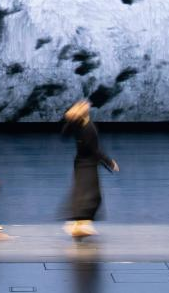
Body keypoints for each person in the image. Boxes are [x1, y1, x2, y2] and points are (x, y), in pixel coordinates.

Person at [61, 100, 118, 238]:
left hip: (85, 163)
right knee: (88, 196)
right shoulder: (85, 126)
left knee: (88, 195)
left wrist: (71, 119)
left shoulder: (83, 124)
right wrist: (110, 162)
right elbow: (94, 150)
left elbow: (66, 135)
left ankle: (80, 225)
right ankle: (77, 225)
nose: (88, 105)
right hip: (85, 164)